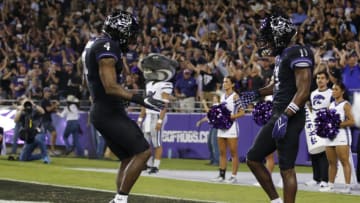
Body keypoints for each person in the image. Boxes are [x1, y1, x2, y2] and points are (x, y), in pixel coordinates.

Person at [82, 10, 167, 203]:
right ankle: (120, 200)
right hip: (108, 110)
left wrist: (124, 97)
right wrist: (140, 98)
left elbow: (94, 83)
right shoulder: (107, 45)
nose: (132, 37)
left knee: (128, 158)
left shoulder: (95, 44)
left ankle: (118, 199)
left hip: (104, 109)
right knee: (144, 152)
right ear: (122, 30)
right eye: (130, 32)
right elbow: (110, 86)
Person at [243, 11, 314, 203]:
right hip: (279, 113)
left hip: (290, 116)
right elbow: (279, 85)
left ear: (280, 35)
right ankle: (276, 201)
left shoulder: (299, 51)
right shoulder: (283, 55)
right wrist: (257, 93)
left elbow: (303, 90)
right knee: (253, 157)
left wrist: (286, 115)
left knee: (286, 167)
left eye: (270, 37)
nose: (267, 42)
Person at [137, 55, 174, 174]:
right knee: (145, 144)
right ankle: (148, 164)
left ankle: (156, 166)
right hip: (148, 115)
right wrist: (140, 118)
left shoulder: (165, 84)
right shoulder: (149, 84)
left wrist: (160, 121)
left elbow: (165, 104)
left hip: (157, 115)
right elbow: (145, 102)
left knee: (156, 142)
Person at [319, 82, 355, 194]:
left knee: (344, 161)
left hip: (342, 136)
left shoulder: (346, 104)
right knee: (331, 162)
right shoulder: (331, 105)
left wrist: (337, 124)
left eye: (336, 89)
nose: (333, 91)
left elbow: (352, 121)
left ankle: (347, 187)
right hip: (330, 136)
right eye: (333, 89)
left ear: (342, 91)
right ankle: (330, 186)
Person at [212, 76, 245, 183]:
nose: (224, 83)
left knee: (233, 153)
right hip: (222, 127)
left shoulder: (235, 96)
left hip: (231, 128)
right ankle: (222, 175)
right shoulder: (222, 96)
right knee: (222, 152)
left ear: (232, 84)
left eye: (226, 82)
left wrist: (230, 117)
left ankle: (233, 176)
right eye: (223, 81)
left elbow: (242, 112)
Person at [305, 71, 332, 187]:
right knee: (314, 151)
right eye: (318, 78)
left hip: (326, 124)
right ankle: (315, 178)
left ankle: (325, 180)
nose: (320, 80)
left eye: (322, 78)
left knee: (324, 153)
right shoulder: (313, 93)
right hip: (314, 124)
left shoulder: (331, 93)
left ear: (327, 80)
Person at [14, 99, 50, 163]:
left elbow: (42, 112)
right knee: (23, 158)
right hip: (29, 136)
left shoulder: (35, 109)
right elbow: (16, 120)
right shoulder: (22, 112)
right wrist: (20, 110)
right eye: (25, 103)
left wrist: (33, 105)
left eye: (28, 103)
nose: (27, 105)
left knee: (38, 138)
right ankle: (43, 155)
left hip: (38, 132)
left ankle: (45, 157)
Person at [40, 87, 60, 155]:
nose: (49, 93)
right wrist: (55, 105)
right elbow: (48, 109)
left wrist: (55, 107)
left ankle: (52, 150)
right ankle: (43, 151)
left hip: (48, 120)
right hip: (44, 120)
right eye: (48, 92)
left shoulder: (48, 100)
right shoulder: (44, 101)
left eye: (49, 92)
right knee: (42, 137)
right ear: (44, 92)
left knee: (54, 134)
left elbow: (51, 110)